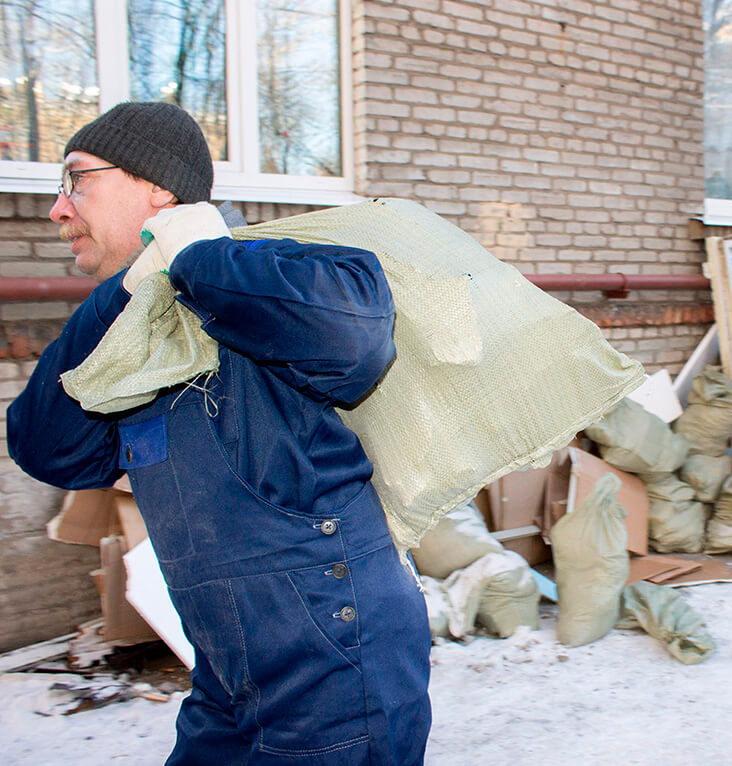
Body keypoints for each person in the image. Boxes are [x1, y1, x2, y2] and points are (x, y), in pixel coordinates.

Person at [7, 102, 431, 764]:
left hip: (337, 663)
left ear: (157, 186)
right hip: (228, 673)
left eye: (77, 179)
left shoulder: (263, 269)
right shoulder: (134, 333)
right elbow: (47, 446)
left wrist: (197, 257)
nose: (59, 209)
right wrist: (120, 296)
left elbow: (355, 336)